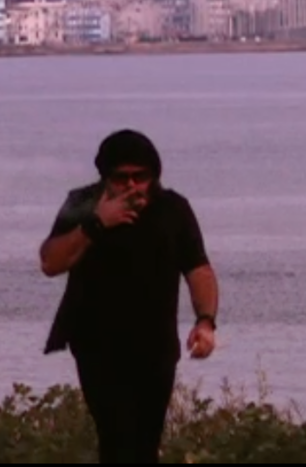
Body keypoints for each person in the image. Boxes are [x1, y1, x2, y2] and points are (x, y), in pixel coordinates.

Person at [37, 128, 218, 464]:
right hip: (97, 345)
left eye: (141, 177)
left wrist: (205, 322)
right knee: (117, 439)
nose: (132, 186)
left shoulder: (173, 209)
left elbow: (199, 269)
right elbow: (50, 261)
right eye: (121, 178)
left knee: (145, 444)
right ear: (105, 177)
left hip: (156, 346)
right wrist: (96, 224)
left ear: (154, 176)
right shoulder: (82, 204)